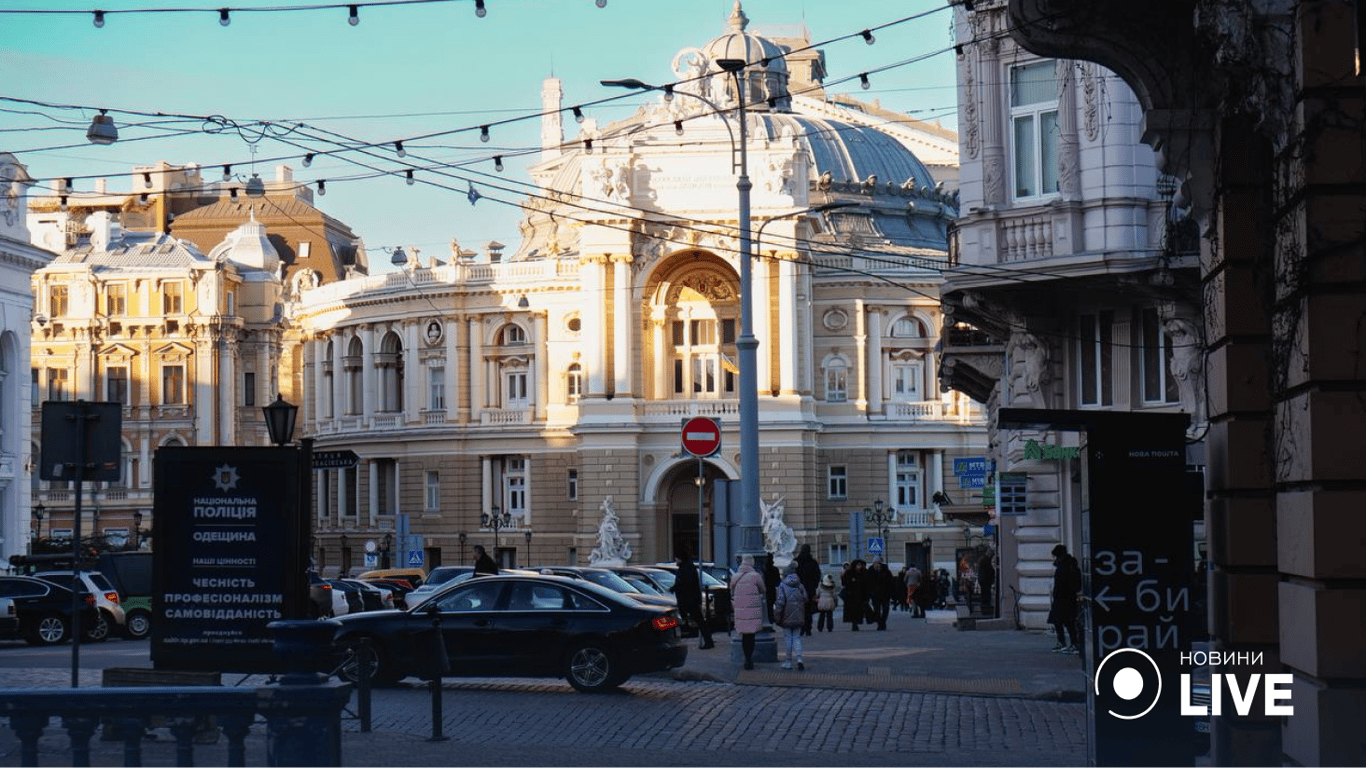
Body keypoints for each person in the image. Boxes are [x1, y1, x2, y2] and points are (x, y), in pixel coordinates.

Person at [730, 554, 766, 670]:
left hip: (740, 610)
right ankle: (750, 659)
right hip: (753, 610)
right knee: (751, 636)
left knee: (744, 636)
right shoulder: (756, 576)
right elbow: (763, 590)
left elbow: (731, 591)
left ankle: (746, 658)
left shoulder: (735, 576)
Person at [674, 545, 714, 649]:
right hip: (690, 599)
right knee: (699, 621)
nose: (675, 560)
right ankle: (708, 640)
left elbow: (686, 584)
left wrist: (676, 587)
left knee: (699, 621)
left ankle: (708, 641)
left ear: (680, 558)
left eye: (676, 558)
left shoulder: (686, 568)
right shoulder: (686, 567)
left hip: (689, 600)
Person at [772, 561, 808, 670]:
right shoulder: (800, 585)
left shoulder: (782, 586)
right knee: (797, 638)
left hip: (786, 616)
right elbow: (806, 599)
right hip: (798, 616)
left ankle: (788, 661)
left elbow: (780, 602)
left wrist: (777, 616)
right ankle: (799, 659)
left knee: (788, 638)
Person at [1048, 544, 1082, 653]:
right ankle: (1071, 643)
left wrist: (1056, 594)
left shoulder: (1063, 567)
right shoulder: (1071, 565)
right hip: (1069, 597)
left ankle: (1068, 643)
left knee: (1063, 621)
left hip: (1062, 598)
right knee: (1067, 622)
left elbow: (1060, 584)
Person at [793, 544, 821, 636]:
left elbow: (792, 574)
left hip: (798, 589)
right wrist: (814, 586)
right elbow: (817, 575)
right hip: (810, 589)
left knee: (800, 609)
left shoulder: (796, 561)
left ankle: (801, 628)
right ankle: (808, 628)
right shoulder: (813, 562)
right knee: (809, 609)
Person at [840, 559, 868, 631]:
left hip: (860, 595)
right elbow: (844, 582)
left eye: (860, 565)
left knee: (859, 611)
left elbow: (866, 583)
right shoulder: (849, 573)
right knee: (853, 611)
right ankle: (854, 624)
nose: (859, 566)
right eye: (858, 565)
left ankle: (857, 622)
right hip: (851, 596)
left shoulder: (863, 573)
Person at [867, 559, 893, 630]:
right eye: (875, 563)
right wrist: (869, 593)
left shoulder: (886, 571)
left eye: (878, 563)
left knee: (885, 609)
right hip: (875, 594)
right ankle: (879, 623)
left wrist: (891, 593)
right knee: (876, 610)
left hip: (885, 594)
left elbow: (891, 582)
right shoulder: (870, 572)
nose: (877, 565)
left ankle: (883, 622)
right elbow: (868, 583)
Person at [977, 552, 997, 617]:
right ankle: (986, 609)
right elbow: (990, 570)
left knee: (985, 595)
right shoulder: (986, 560)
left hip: (983, 581)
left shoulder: (982, 559)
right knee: (986, 595)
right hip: (985, 581)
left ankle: (985, 609)